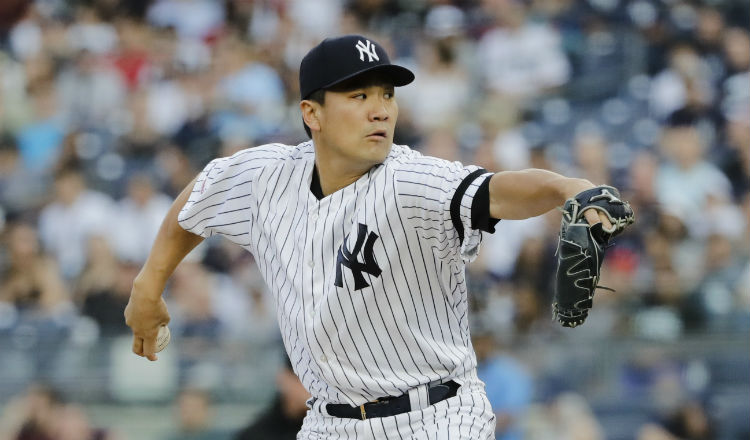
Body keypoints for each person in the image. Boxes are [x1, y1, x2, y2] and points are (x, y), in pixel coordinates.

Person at [125, 34, 627, 439]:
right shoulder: (266, 176)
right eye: (359, 95)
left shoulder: (412, 181)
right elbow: (201, 198)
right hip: (328, 422)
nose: (381, 109)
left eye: (387, 94)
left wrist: (569, 189)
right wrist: (148, 285)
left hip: (437, 417)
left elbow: (500, 191)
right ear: (312, 113)